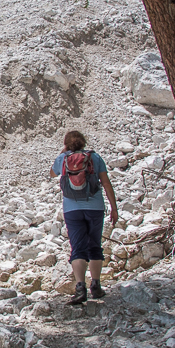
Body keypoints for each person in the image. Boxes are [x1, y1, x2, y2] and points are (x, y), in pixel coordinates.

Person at [50, 130, 118, 305]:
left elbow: (52, 173)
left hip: (72, 210)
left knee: (77, 247)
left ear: (66, 144)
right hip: (95, 208)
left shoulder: (63, 159)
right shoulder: (94, 158)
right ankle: (96, 286)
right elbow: (106, 183)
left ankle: (80, 288)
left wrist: (62, 153)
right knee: (95, 244)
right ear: (83, 143)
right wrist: (114, 207)